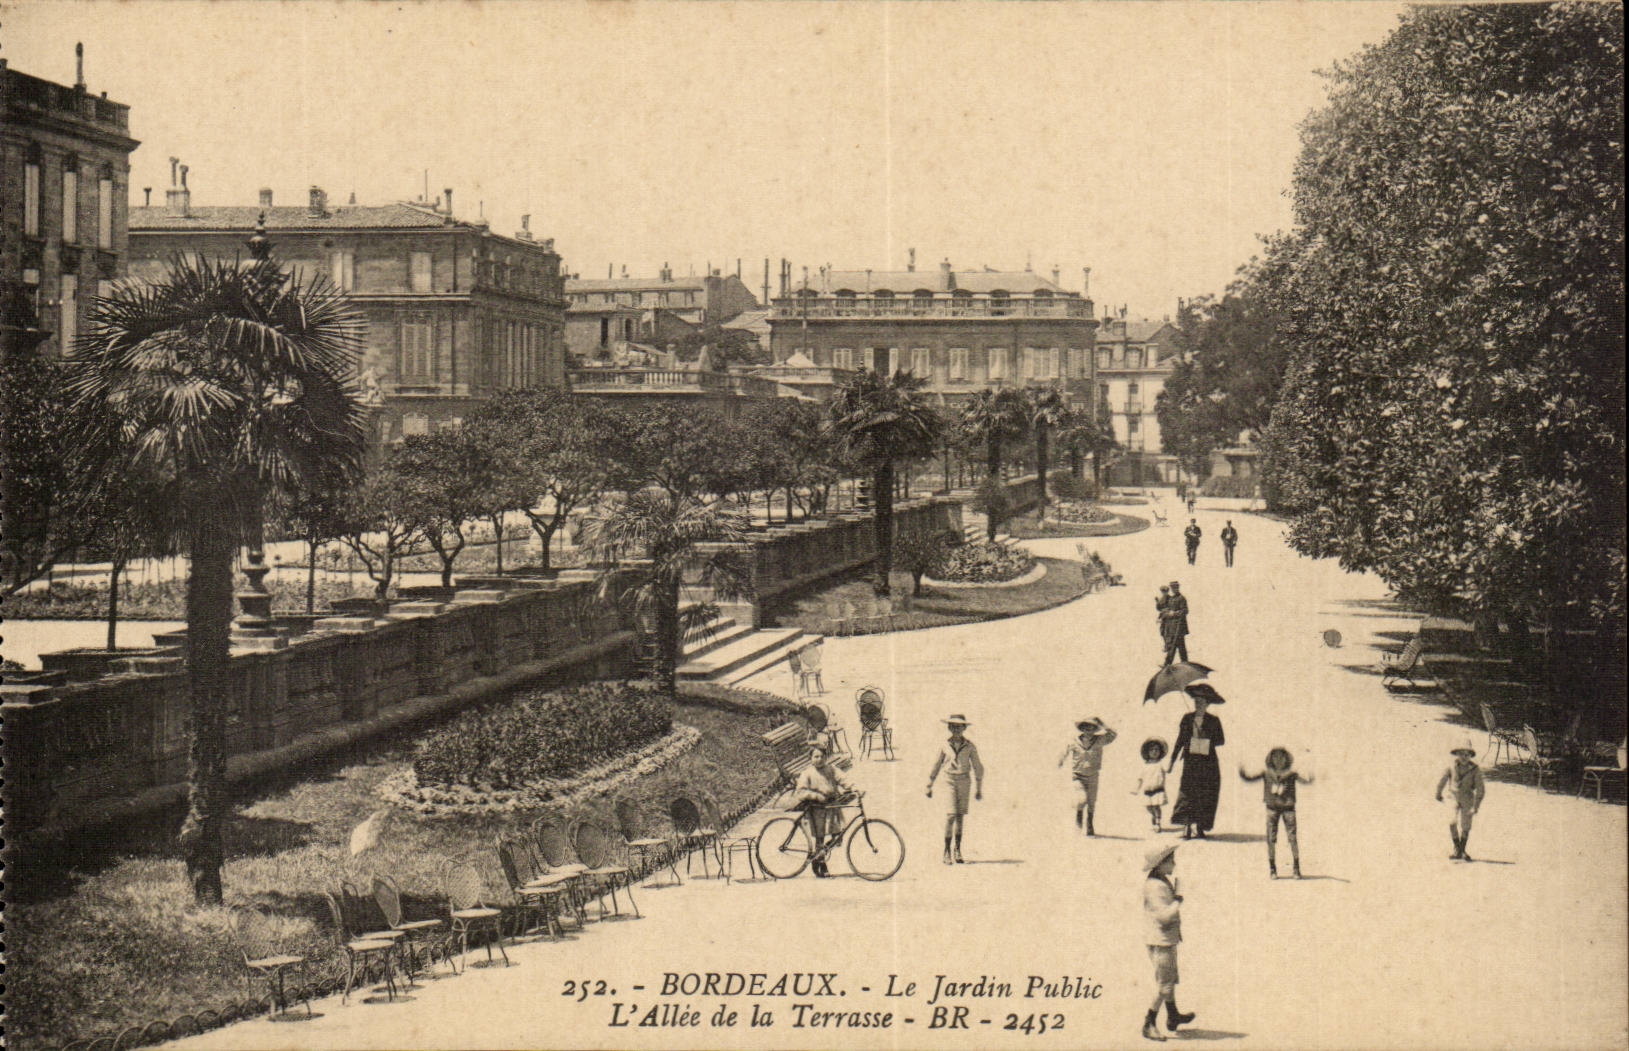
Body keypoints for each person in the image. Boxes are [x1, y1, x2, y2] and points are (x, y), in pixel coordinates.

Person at [1141, 844, 1196, 1041]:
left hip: (1166, 939)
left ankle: (1173, 1016)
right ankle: (1149, 1023)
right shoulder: (1155, 887)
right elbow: (1164, 917)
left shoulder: (1161, 881)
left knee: (1170, 979)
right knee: (1164, 985)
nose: (1174, 863)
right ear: (1161, 864)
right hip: (1160, 941)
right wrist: (1178, 899)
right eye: (1171, 860)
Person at [1239, 747, 1313, 878]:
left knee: (1292, 838)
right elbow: (1250, 778)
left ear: (1287, 759)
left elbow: (1305, 781)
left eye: (1281, 757)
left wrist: (1311, 775)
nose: (1279, 760)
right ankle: (1272, 869)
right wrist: (1243, 773)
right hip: (1271, 809)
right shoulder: (1266, 773)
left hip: (1288, 809)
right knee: (1271, 840)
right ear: (1270, 759)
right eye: (1275, 757)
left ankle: (1296, 868)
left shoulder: (1292, 775)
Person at [1169, 683, 1226, 838]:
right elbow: (1180, 740)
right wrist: (1172, 760)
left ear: (1207, 704)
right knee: (1188, 791)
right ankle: (1187, 826)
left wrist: (1205, 736)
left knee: (1206, 793)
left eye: (1201, 701)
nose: (1198, 703)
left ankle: (1200, 826)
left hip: (1208, 763)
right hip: (1191, 761)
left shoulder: (1213, 720)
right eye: (1196, 701)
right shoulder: (1187, 719)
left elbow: (1221, 740)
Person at [791, 740, 855, 877]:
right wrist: (815, 796)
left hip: (832, 807)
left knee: (838, 835)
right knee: (820, 839)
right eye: (816, 757)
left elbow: (843, 779)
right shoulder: (807, 773)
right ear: (811, 759)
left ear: (826, 758)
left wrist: (853, 788)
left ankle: (818, 856)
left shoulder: (831, 769)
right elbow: (800, 792)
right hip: (817, 809)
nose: (819, 759)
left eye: (822, 756)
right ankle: (821, 862)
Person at [927, 714, 985, 864]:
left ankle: (957, 850)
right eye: (953, 726)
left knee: (960, 817)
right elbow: (936, 764)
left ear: (964, 728)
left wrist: (979, 788)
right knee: (950, 815)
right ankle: (946, 851)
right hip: (949, 781)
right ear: (949, 728)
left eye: (959, 727)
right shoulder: (944, 745)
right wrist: (930, 784)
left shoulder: (970, 746)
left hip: (964, 781)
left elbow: (978, 767)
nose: (956, 729)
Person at [1059, 717, 1118, 836]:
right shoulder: (1074, 741)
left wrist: (1102, 724)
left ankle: (1089, 823)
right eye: (1086, 728)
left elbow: (1113, 735)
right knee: (1081, 798)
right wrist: (1060, 760)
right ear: (1082, 729)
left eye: (1091, 728)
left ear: (1095, 730)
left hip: (1093, 776)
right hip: (1078, 776)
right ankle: (1078, 818)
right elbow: (1065, 750)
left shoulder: (1099, 740)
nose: (1088, 731)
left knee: (1091, 801)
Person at [1435, 740, 1486, 861]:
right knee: (1451, 820)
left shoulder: (1475, 770)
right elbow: (1442, 780)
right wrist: (1438, 793)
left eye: (1467, 754)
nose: (1464, 757)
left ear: (1470, 756)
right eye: (1461, 754)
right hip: (1452, 797)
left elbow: (1480, 789)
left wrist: (1476, 805)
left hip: (1468, 798)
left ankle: (1462, 849)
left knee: (1466, 825)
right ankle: (1456, 847)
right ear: (1457, 754)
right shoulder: (1451, 766)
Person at [1135, 738, 1169, 831]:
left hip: (1158, 789)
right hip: (1147, 790)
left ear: (1160, 752)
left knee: (1156, 806)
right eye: (1152, 750)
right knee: (1149, 807)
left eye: (1157, 750)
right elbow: (1140, 778)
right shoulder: (1145, 765)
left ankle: (1158, 823)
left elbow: (1167, 769)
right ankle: (1154, 817)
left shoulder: (1161, 764)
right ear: (1147, 752)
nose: (1154, 752)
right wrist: (1136, 789)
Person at [1160, 581, 1190, 666]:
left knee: (1174, 645)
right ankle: (1185, 663)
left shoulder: (1181, 598)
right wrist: (1166, 613)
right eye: (1172, 588)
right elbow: (1164, 608)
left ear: (1178, 588)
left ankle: (1167, 664)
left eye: (1175, 587)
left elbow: (1185, 610)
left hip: (1179, 627)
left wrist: (1174, 613)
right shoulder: (1171, 599)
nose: (1174, 589)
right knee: (1180, 646)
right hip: (1172, 627)